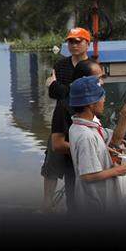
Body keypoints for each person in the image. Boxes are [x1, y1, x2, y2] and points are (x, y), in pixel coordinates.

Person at [67, 75, 126, 213]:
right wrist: (116, 171)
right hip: (96, 204)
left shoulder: (88, 126)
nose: (104, 100)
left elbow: (115, 140)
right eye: (101, 97)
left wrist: (125, 116)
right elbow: (87, 176)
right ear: (90, 103)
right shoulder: (85, 136)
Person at [40, 28, 92, 211]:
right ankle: (47, 204)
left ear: (87, 43)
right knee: (52, 163)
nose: (74, 45)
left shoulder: (91, 66)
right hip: (60, 120)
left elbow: (81, 95)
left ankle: (78, 206)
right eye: (71, 41)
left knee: (81, 164)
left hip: (83, 122)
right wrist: (60, 88)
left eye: (79, 41)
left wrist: (58, 86)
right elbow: (55, 93)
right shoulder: (61, 65)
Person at [45, 58, 105, 213]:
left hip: (96, 171)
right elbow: (56, 145)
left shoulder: (97, 103)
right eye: (98, 79)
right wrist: (88, 148)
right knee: (77, 206)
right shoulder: (64, 106)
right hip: (74, 168)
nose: (102, 83)